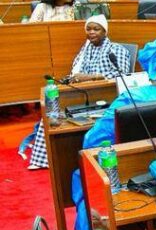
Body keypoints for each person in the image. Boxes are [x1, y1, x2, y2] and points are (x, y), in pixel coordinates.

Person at [24, 15, 132, 170]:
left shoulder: (116, 50)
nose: (92, 32)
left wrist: (90, 77)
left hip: (107, 96)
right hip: (85, 94)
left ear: (105, 31)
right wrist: (72, 79)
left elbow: (120, 76)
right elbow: (77, 72)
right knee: (51, 114)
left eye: (96, 29)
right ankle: (47, 160)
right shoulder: (85, 50)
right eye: (89, 29)